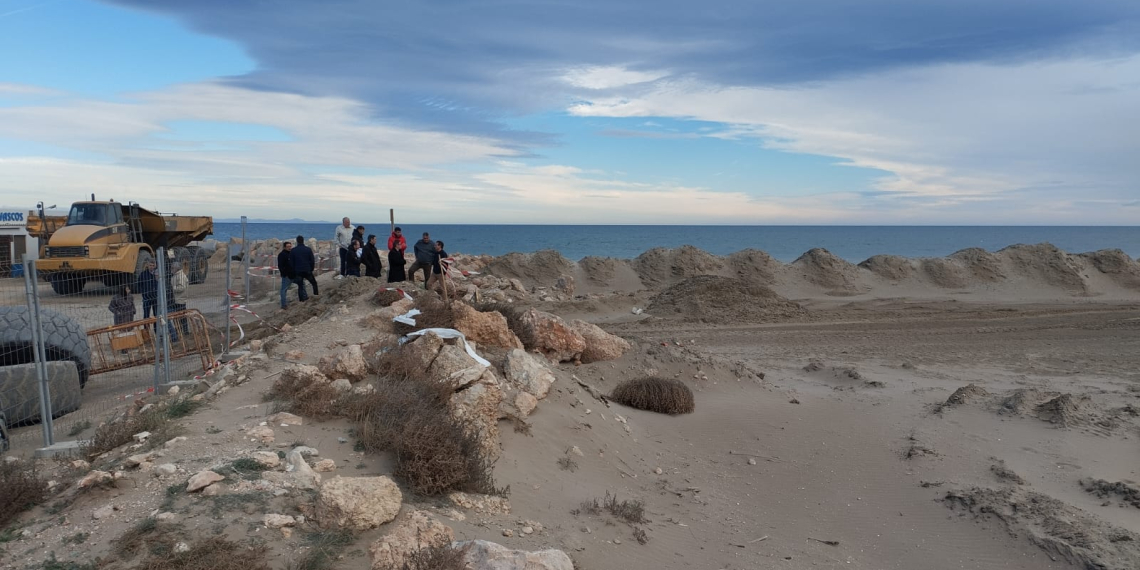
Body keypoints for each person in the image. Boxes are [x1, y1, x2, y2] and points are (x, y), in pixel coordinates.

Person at [291, 235, 318, 301]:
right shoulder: (308, 249)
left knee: (300, 286)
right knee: (314, 283)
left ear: (297, 241)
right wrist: (311, 268)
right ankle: (316, 296)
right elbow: (312, 260)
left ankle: (301, 300)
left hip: (298, 271)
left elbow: (291, 262)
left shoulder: (293, 250)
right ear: (303, 241)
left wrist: (294, 271)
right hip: (307, 270)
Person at [278, 241, 296, 309]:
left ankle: (304, 298)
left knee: (302, 284)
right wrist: (284, 274)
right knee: (283, 290)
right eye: (288, 247)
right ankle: (284, 305)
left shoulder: (292, 254)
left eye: (290, 246)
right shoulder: (282, 255)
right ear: (284, 247)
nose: (289, 248)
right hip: (286, 276)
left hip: (294, 274)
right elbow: (280, 266)